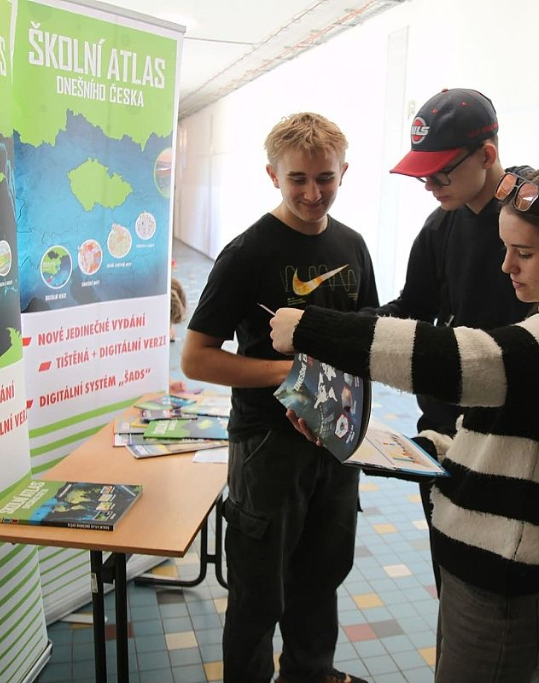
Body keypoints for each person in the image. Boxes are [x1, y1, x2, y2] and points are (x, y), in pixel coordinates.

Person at [270, 164, 539, 682]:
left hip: (505, 586)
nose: (506, 266)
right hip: (481, 574)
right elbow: (497, 440)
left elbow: (464, 362)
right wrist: (370, 443)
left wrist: (313, 329)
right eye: (505, 248)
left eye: (524, 252)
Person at [373, 87, 539, 679]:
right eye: (421, 176)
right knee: (461, 603)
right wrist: (343, 332)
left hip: (523, 458)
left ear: (487, 154)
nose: (430, 186)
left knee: (526, 617)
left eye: (441, 172)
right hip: (450, 443)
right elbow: (413, 308)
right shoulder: (440, 227)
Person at [181, 112, 378, 683]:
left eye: (325, 178)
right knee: (257, 594)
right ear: (272, 175)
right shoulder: (247, 253)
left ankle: (309, 675)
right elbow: (196, 358)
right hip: (268, 444)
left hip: (334, 441)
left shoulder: (353, 245)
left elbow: (367, 335)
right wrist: (293, 373)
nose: (313, 193)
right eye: (298, 179)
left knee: (321, 580)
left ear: (344, 172)